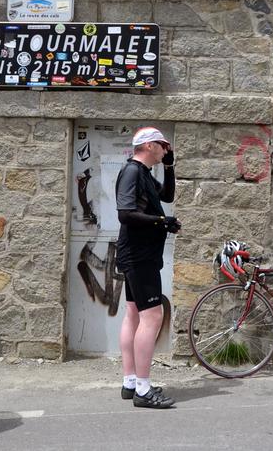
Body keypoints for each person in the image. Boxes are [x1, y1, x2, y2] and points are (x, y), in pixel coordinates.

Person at [115, 126, 179, 408]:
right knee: (152, 316)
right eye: (163, 145)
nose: (166, 149)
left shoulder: (143, 174)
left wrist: (170, 167)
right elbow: (125, 213)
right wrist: (161, 223)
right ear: (150, 146)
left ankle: (130, 382)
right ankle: (143, 388)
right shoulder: (132, 172)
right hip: (139, 256)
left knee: (133, 314)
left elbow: (167, 196)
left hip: (139, 254)